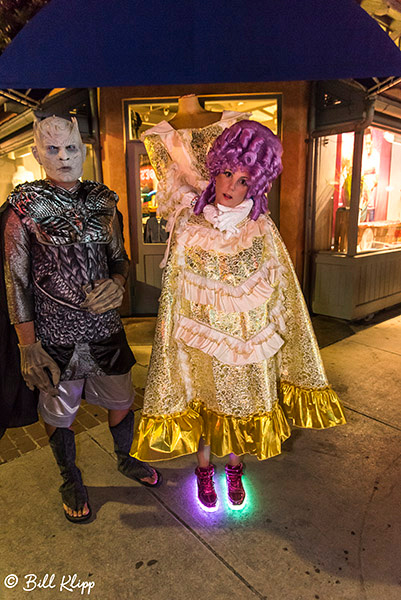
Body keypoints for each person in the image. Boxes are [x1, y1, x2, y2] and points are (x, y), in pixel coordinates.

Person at [130, 118, 346, 511]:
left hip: (248, 344)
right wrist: (173, 347)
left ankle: (233, 469)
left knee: (240, 405)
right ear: (216, 171)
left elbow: (283, 291)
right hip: (202, 342)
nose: (231, 186)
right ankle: (203, 470)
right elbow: (176, 295)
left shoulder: (261, 228)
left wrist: (275, 339)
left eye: (243, 180)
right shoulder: (191, 226)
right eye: (228, 173)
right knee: (205, 407)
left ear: (256, 185)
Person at [2, 115, 161, 523]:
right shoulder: (24, 209)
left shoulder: (104, 203)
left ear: (84, 151)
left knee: (122, 399)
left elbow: (119, 257)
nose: (63, 157)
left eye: (71, 148)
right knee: (58, 410)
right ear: (38, 155)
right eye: (53, 150)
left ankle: (125, 457)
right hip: (54, 335)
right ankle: (69, 476)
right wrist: (27, 345)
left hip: (105, 329)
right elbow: (16, 280)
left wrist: (119, 281)